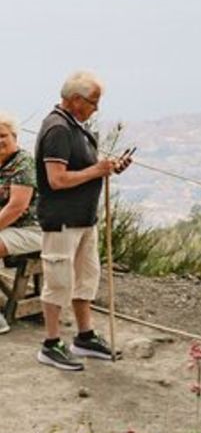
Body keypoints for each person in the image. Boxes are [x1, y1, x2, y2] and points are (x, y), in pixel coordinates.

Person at [34, 71, 132, 370]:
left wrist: (110, 168)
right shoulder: (58, 129)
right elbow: (57, 179)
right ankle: (51, 344)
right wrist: (96, 171)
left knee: (86, 278)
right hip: (62, 220)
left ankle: (84, 335)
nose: (96, 108)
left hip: (84, 219)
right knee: (59, 280)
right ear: (75, 100)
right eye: (93, 101)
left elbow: (84, 168)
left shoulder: (76, 126)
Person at [0, 112, 42, 335]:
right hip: (8, 226)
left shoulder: (23, 163)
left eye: (2, 135)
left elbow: (16, 207)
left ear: (14, 136)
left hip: (31, 228)